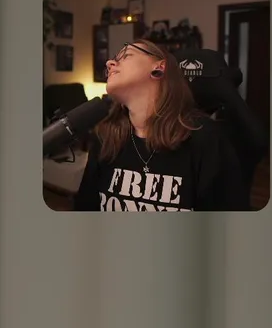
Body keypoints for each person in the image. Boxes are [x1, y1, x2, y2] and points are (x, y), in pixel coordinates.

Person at [74, 40, 250, 211]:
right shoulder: (105, 137)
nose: (109, 63)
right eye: (113, 59)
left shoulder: (206, 138)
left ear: (159, 68)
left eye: (126, 56)